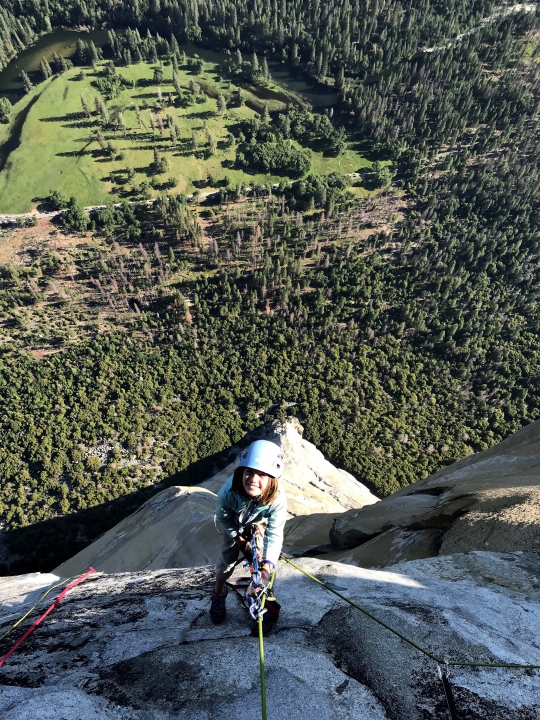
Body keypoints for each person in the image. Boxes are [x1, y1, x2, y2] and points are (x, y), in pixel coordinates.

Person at [210, 439, 287, 632]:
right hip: (235, 522)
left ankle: (263, 599)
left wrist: (268, 565)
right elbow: (223, 518)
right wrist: (237, 538)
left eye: (261, 474)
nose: (253, 478)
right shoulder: (229, 491)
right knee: (227, 560)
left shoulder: (277, 500)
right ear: (242, 472)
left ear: (272, 479)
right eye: (249, 472)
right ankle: (218, 593)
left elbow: (275, 533)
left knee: (262, 565)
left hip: (259, 522)